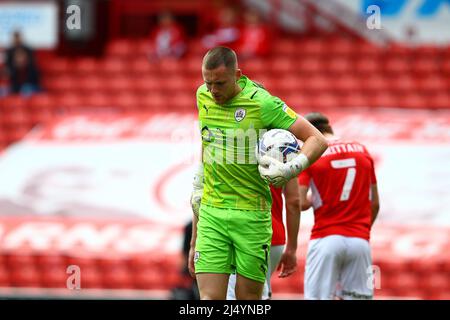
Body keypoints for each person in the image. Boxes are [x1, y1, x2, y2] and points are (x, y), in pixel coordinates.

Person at [189, 46, 328, 300]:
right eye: (208, 83)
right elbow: (208, 141)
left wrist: (290, 169)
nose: (213, 91)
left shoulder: (263, 103)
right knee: (208, 300)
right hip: (212, 213)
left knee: (249, 301)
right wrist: (198, 183)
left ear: (237, 75)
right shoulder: (202, 96)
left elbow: (317, 139)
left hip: (252, 216)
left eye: (219, 83)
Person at [298, 112, 380, 300]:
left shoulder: (312, 154)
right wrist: (362, 231)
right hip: (360, 241)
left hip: (326, 238)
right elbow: (374, 203)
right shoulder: (362, 150)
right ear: (329, 128)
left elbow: (301, 202)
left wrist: (318, 197)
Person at [227, 181, 300, 300]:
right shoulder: (285, 160)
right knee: (260, 293)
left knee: (237, 295)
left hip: (242, 233)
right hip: (274, 235)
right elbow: (294, 201)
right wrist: (292, 248)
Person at [5, 31, 41, 96]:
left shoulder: (32, 68)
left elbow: (36, 79)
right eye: (17, 57)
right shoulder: (12, 67)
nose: (19, 59)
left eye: (21, 56)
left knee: (26, 89)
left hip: (30, 87)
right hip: (16, 88)